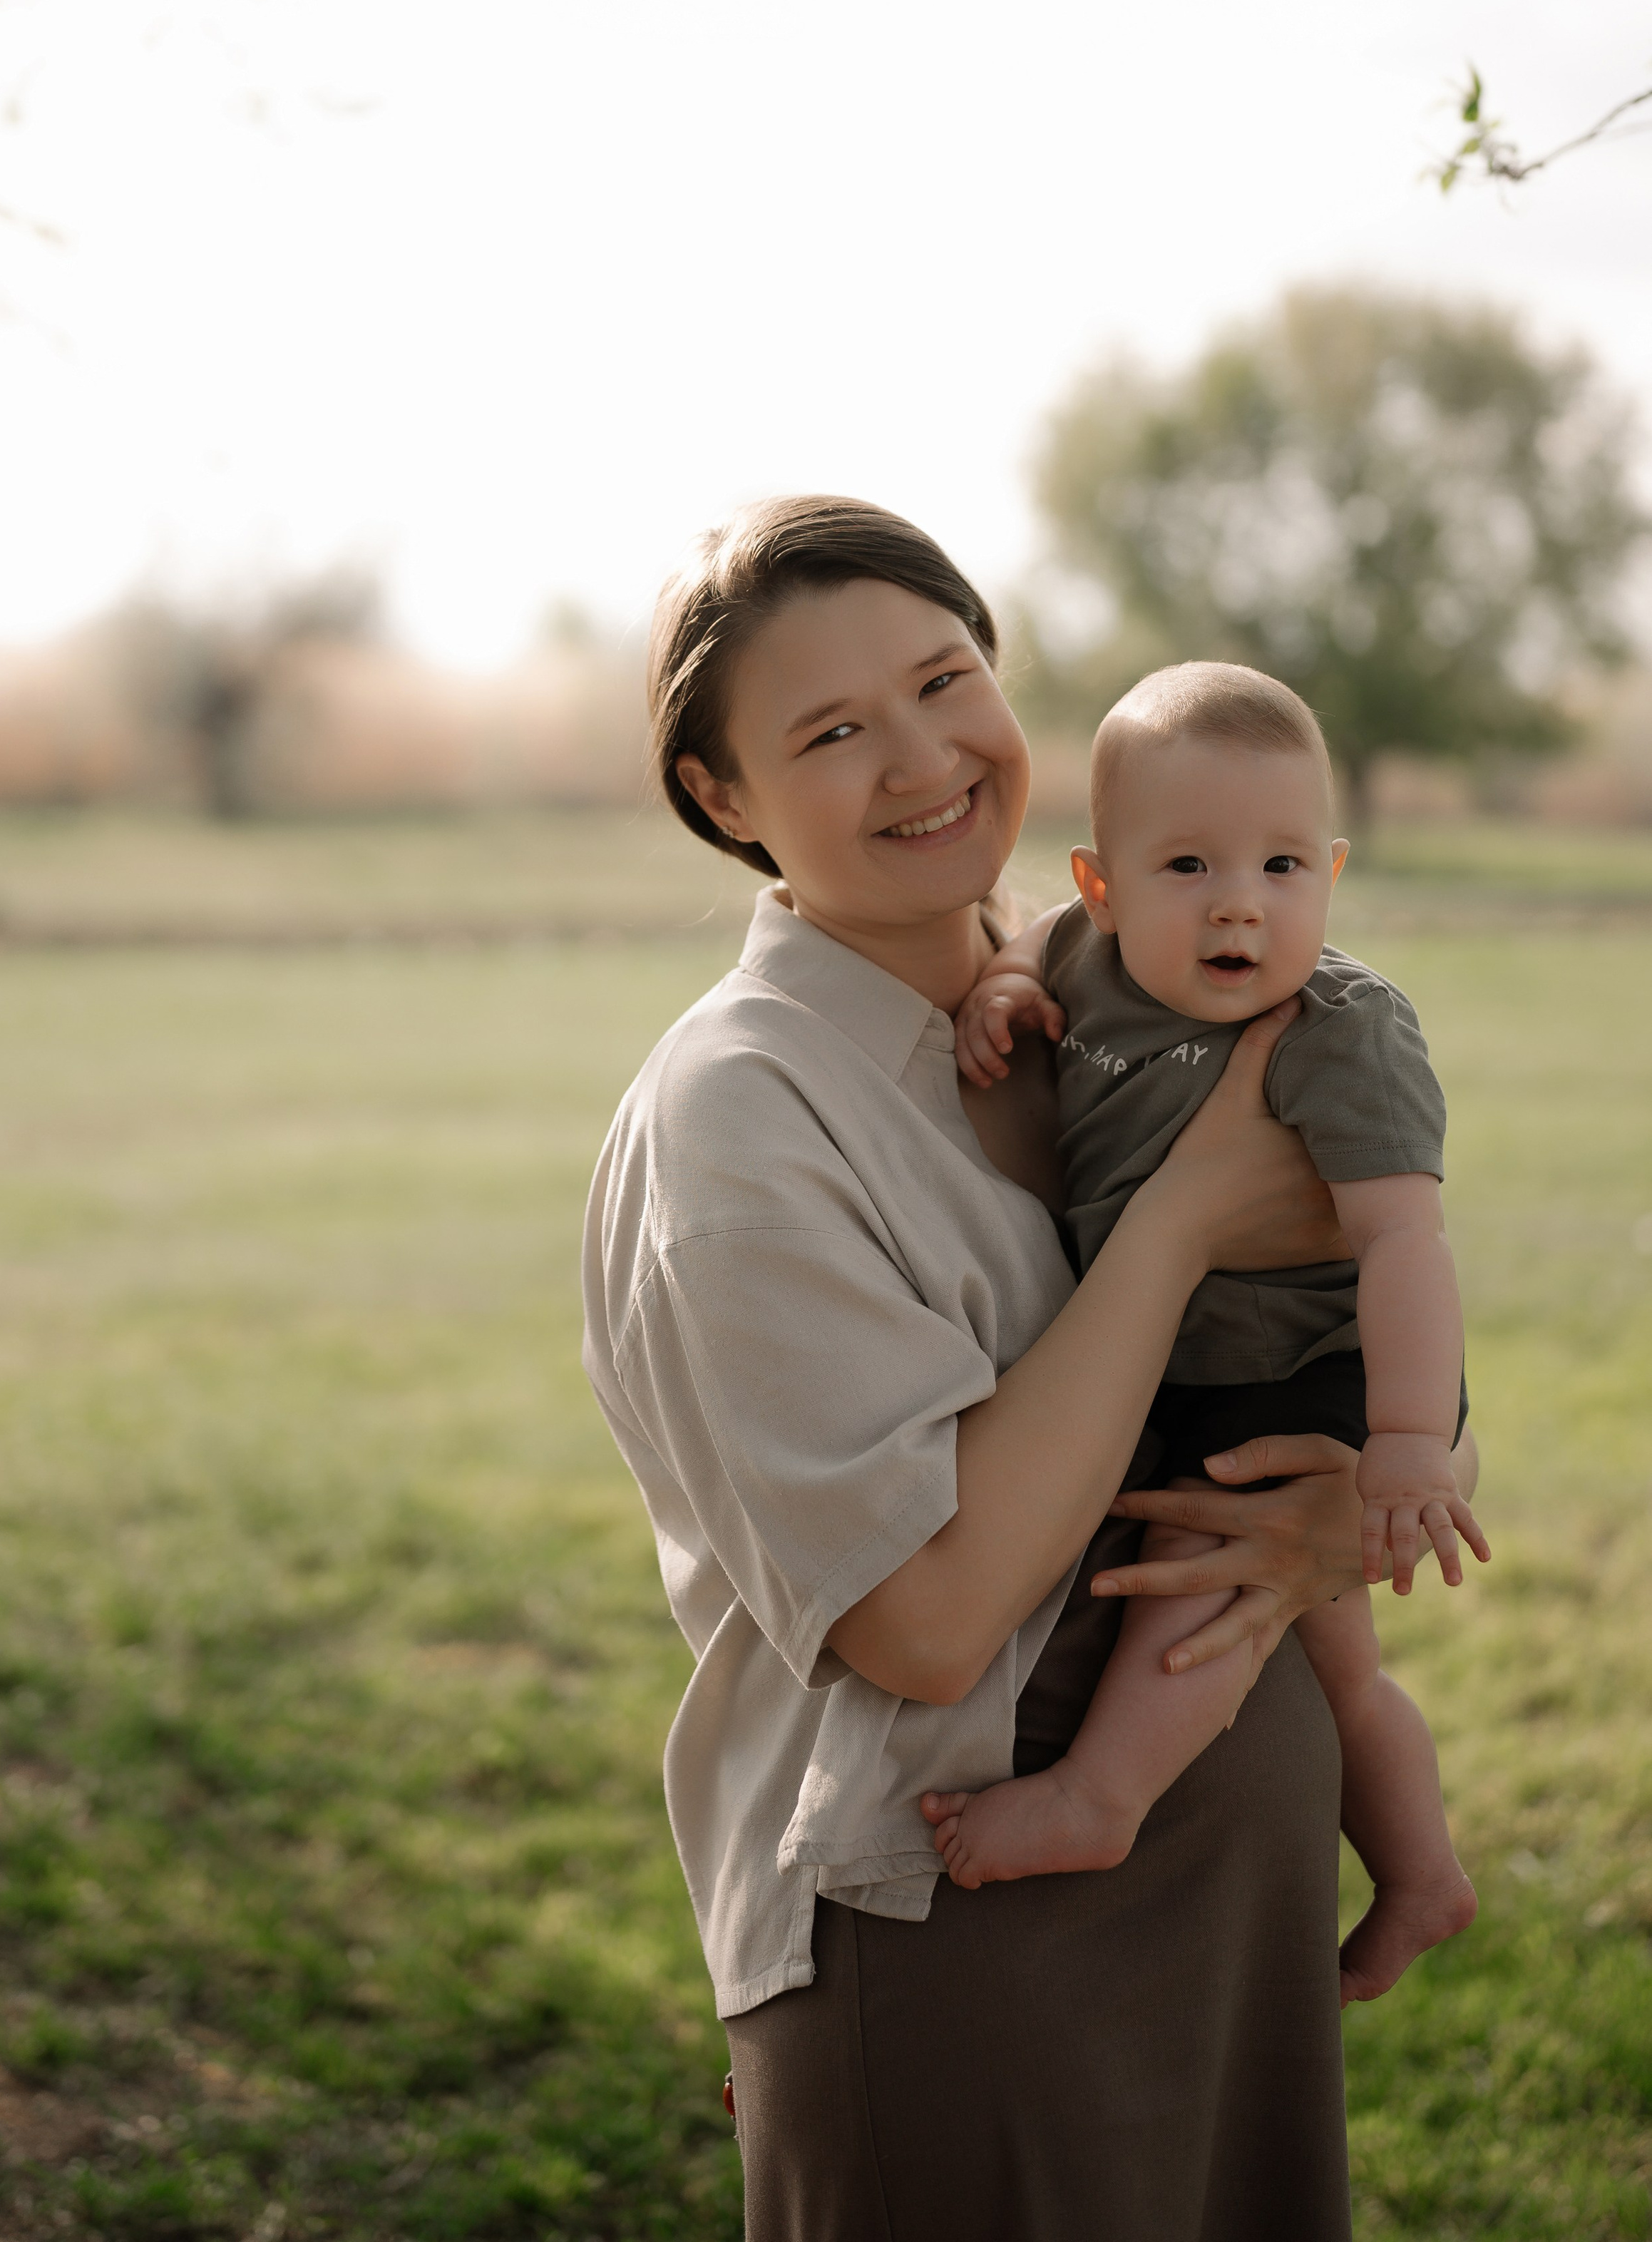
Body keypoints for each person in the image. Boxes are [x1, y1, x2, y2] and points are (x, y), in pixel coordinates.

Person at [582, 494, 1478, 2241]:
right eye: (832, 732)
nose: (922, 759)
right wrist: (1177, 1224)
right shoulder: (742, 1118)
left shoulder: (1110, 996)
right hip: (959, 1935)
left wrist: (1331, 1522)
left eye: (944, 680)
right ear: (722, 797)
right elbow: (918, 1618)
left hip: (1227, 1901)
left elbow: (1341, 1314)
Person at [930, 660, 1484, 2006]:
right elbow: (1030, 945)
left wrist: (1411, 1444)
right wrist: (1003, 988)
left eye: (1286, 865)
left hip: (1308, 1370)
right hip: (1192, 1356)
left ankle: (1099, 1797)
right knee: (1342, 1668)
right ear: (1103, 884)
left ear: (1332, 875)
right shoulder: (1081, 956)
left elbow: (1405, 1243)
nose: (1242, 899)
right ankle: (1423, 1877)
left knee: (1205, 1561)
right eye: (1189, 865)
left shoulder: (1342, 1034)